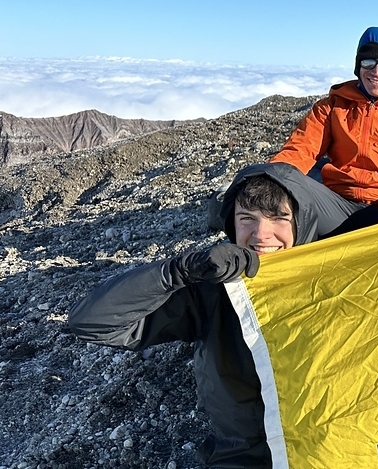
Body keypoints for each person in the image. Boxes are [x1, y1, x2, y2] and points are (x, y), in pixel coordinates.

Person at [67, 164, 317, 467]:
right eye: (247, 218)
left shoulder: (341, 279)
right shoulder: (213, 292)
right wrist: (178, 271)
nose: (261, 234)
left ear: (303, 222)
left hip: (328, 454)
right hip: (242, 460)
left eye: (279, 218)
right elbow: (91, 322)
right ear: (231, 224)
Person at [269, 26, 378, 237]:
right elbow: (300, 149)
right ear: (358, 65)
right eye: (368, 62)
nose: (377, 72)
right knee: (273, 182)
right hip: (336, 205)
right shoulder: (332, 107)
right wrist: (267, 182)